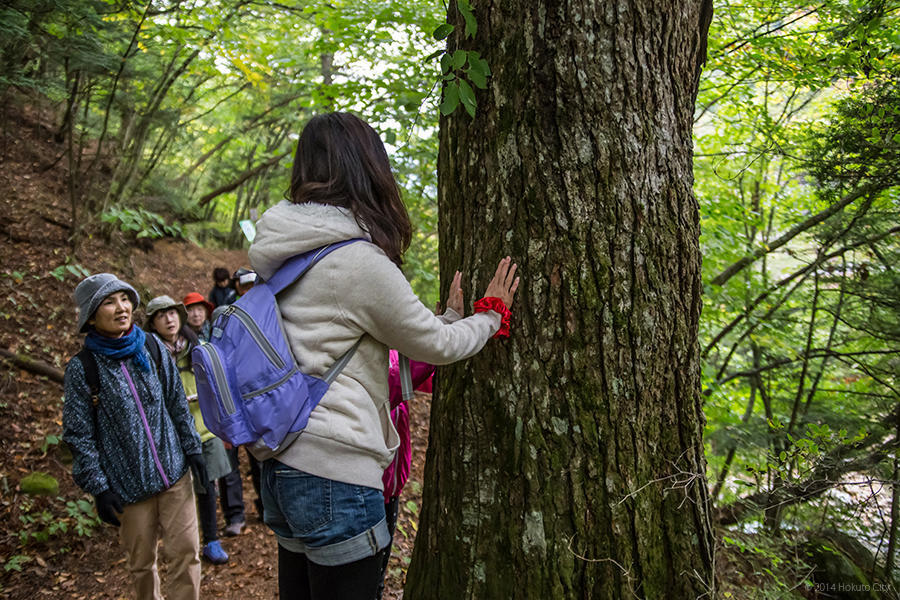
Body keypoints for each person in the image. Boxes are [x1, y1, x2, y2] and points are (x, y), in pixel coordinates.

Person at [247, 111, 520, 600]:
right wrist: (490, 315)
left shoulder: (285, 252)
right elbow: (434, 347)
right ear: (365, 167)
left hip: (282, 467)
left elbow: (343, 333)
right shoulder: (355, 260)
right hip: (335, 470)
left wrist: (451, 320)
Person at [63, 274, 206, 600]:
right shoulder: (84, 368)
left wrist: (192, 448)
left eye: (124, 299)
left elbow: (175, 403)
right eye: (109, 302)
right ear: (91, 315)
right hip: (128, 488)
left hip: (174, 473)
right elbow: (79, 434)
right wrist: (98, 487)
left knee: (186, 554)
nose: (121, 307)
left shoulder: (152, 346)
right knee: (142, 565)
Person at [145, 295, 234, 565]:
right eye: (161, 316)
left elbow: (221, 378)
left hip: (205, 430)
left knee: (208, 486)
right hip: (171, 436)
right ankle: (184, 544)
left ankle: (211, 540)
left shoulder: (198, 346)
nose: (169, 319)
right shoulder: (148, 354)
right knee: (178, 492)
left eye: (172, 313)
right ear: (152, 323)